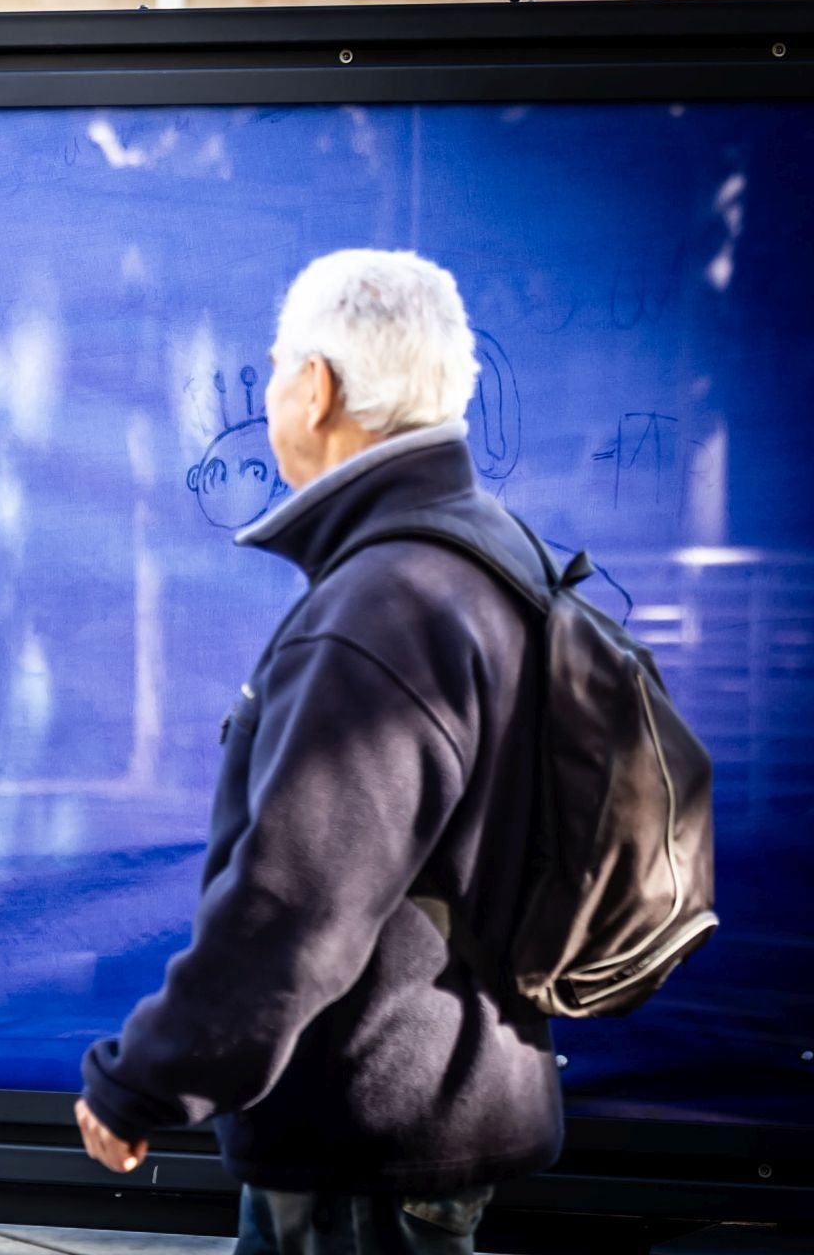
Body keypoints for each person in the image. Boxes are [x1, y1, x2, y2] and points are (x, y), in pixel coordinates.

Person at [75, 250, 563, 1253]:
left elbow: (293, 910)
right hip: (443, 1105)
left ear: (318, 386)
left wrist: (141, 1080)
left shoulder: (379, 610)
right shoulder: (488, 552)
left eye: (275, 366)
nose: (267, 391)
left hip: (364, 1145)